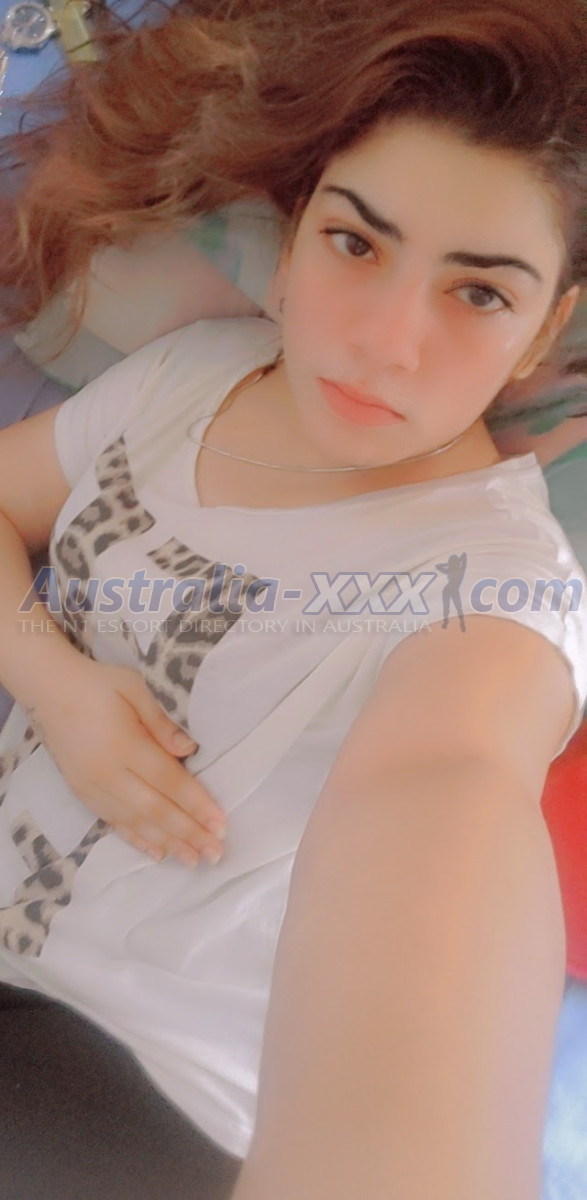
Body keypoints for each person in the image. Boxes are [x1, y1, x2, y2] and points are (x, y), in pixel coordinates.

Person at [0, 1, 586, 1197]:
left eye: (478, 294)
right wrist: (54, 681)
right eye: (355, 244)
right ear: (290, 235)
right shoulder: (189, 379)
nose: (383, 340)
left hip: (137, 1087)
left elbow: (446, 789)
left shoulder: (493, 591)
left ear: (544, 331)